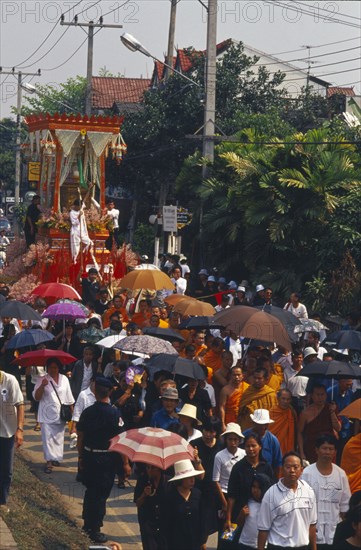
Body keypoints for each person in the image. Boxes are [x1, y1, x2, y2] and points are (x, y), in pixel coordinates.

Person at [77, 376, 130, 543]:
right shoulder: (114, 414)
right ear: (110, 391)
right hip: (106, 459)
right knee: (101, 494)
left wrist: (80, 456)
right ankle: (95, 528)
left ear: (95, 390)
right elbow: (121, 439)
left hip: (89, 455)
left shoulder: (88, 412)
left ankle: (87, 523)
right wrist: (126, 463)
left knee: (90, 490)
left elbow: (80, 437)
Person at [257, 451, 317, 550]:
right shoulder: (271, 494)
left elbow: (312, 525)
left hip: (302, 547)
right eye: (288, 467)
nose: (292, 470)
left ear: (301, 470)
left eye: (295, 467)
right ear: (282, 469)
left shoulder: (309, 491)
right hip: (278, 547)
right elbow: (263, 529)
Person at [302, 434, 351, 549]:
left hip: (335, 532)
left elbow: (345, 505)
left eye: (331, 449)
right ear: (317, 450)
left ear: (335, 452)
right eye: (324, 448)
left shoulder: (341, 475)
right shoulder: (306, 474)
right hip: (310, 532)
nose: (327, 452)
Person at [225, 432, 275, 529]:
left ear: (260, 447)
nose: (251, 449)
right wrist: (228, 519)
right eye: (248, 446)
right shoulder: (238, 468)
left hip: (263, 514)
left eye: (253, 446)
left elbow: (272, 491)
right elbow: (231, 496)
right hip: (242, 514)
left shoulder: (266, 467)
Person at [33, 358, 74, 474]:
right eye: (50, 367)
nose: (53, 370)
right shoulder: (42, 379)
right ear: (47, 368)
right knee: (47, 439)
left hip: (60, 414)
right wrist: (42, 386)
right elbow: (36, 397)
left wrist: (73, 414)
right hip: (46, 414)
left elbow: (69, 396)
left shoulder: (64, 379)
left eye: (55, 367)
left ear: (59, 368)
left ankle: (55, 458)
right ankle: (48, 462)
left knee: (58, 438)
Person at [190, 417, 223, 549]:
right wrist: (196, 459)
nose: (208, 434)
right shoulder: (194, 444)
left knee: (221, 524)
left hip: (218, 491)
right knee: (202, 525)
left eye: (212, 431)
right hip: (200, 490)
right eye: (206, 430)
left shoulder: (221, 445)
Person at [165, 459, 204, 550]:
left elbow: (202, 519)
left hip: (194, 542)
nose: (192, 480)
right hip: (176, 542)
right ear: (181, 480)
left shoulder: (197, 494)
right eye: (188, 478)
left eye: (193, 477)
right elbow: (166, 522)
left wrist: (202, 541)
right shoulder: (170, 497)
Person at [297, 383, 341, 464]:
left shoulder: (330, 408)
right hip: (312, 449)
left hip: (328, 448)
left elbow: (338, 428)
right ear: (312, 396)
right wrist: (302, 453)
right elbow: (300, 433)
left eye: (322, 394)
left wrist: (332, 412)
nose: (320, 397)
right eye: (317, 394)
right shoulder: (305, 413)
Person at [0, 370, 24, 510]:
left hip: (8, 431)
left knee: (6, 469)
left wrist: (19, 430)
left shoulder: (10, 380)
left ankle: (2, 500)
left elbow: (20, 405)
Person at [213, 423, 245, 525]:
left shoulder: (244, 454)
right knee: (225, 527)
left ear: (239, 440)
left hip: (240, 494)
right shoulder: (219, 456)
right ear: (226, 440)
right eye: (230, 439)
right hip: (225, 493)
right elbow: (216, 480)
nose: (233, 442)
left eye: (235, 439)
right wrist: (224, 503)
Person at [134, 464, 170, 550]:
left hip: (164, 522)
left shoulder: (168, 481)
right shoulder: (142, 480)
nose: (149, 470)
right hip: (147, 522)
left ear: (159, 469)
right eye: (147, 467)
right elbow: (138, 503)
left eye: (153, 468)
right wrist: (144, 495)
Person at [243, 409, 282, 477]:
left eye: (266, 424)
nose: (263, 427)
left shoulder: (273, 440)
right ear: (253, 423)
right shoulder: (244, 436)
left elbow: (277, 465)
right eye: (260, 425)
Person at [237, 474, 273, 550]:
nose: (255, 490)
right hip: (245, 544)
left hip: (262, 546)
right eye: (253, 487)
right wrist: (242, 514)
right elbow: (239, 524)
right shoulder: (248, 502)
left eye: (259, 488)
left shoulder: (269, 505)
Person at [219, 365, 249, 432]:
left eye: (238, 375)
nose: (236, 377)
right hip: (230, 420)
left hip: (244, 419)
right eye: (234, 375)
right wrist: (223, 424)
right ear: (230, 376)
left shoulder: (248, 388)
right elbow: (222, 407)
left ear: (243, 375)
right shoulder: (225, 390)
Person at [69, 187, 95, 263]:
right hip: (75, 232)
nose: (80, 207)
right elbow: (74, 223)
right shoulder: (72, 212)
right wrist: (79, 216)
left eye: (81, 206)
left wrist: (89, 189)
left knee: (89, 243)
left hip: (83, 231)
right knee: (75, 248)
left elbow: (85, 199)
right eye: (79, 206)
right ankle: (75, 261)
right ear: (75, 206)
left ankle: (83, 253)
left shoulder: (81, 209)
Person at [269, 389, 297, 457]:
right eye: (283, 399)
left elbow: (295, 431)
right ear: (278, 399)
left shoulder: (292, 412)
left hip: (288, 446)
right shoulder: (271, 412)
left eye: (288, 399)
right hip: (273, 445)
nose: (285, 401)